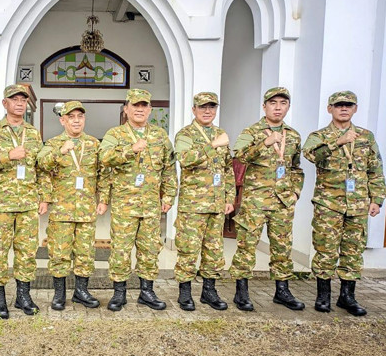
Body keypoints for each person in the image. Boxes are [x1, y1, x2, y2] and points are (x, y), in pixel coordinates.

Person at [303, 91, 386, 316]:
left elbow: (375, 169)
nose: (343, 109)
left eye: (348, 105)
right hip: (328, 204)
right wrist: (337, 142)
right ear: (329, 108)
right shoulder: (318, 136)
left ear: (355, 109)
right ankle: (323, 297)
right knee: (325, 249)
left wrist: (377, 199)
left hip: (358, 205)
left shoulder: (366, 137)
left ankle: (347, 297)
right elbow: (310, 155)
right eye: (338, 105)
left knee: (353, 250)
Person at [0, 84, 51, 318]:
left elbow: (41, 168)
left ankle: (23, 296)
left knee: (27, 252)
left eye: (23, 99)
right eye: (14, 99)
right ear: (4, 103)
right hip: (2, 207)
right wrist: (8, 156)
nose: (19, 103)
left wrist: (45, 197)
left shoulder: (33, 132)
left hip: (28, 204)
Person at [98, 88, 177, 312]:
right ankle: (119, 293)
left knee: (150, 249)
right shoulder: (115, 134)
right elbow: (104, 159)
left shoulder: (160, 136)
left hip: (151, 205)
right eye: (135, 105)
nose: (140, 109)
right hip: (125, 205)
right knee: (121, 250)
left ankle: (147, 292)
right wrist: (130, 150)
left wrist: (169, 194)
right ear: (126, 109)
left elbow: (169, 168)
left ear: (150, 109)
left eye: (144, 106)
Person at [229, 87, 305, 311]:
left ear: (288, 106)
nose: (278, 107)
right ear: (265, 106)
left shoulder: (293, 135)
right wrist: (265, 143)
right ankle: (241, 292)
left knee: (282, 247)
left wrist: (295, 192)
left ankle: (282, 291)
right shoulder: (251, 132)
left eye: (283, 103)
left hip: (282, 202)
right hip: (256, 201)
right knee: (247, 246)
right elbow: (239, 155)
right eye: (273, 103)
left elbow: (296, 168)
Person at [37, 101, 110, 310]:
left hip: (86, 209)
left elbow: (103, 173)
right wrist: (59, 152)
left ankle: (81, 292)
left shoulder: (95, 144)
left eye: (80, 116)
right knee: (59, 253)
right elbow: (42, 167)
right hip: (62, 209)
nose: (76, 120)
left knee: (85, 253)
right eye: (71, 117)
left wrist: (103, 199)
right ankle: (59, 294)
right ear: (62, 120)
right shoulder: (52, 144)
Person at [173, 92, 235, 311]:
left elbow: (227, 169)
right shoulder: (186, 134)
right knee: (189, 250)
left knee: (214, 251)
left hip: (217, 205)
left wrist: (230, 198)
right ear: (194, 110)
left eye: (212, 107)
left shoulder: (221, 134)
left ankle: (209, 292)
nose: (208, 111)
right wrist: (213, 145)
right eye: (203, 107)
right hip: (193, 206)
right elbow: (185, 159)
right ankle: (185, 293)